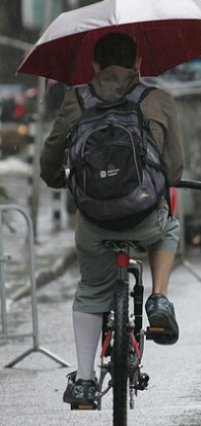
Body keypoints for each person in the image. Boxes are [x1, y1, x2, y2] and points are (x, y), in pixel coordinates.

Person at [40, 32, 185, 406]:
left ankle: (85, 383)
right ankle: (159, 299)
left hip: (95, 221)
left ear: (94, 65)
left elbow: (49, 163)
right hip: (143, 214)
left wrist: (60, 180)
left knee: (91, 290)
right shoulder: (159, 99)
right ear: (138, 62)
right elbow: (174, 167)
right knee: (169, 226)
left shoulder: (76, 99)